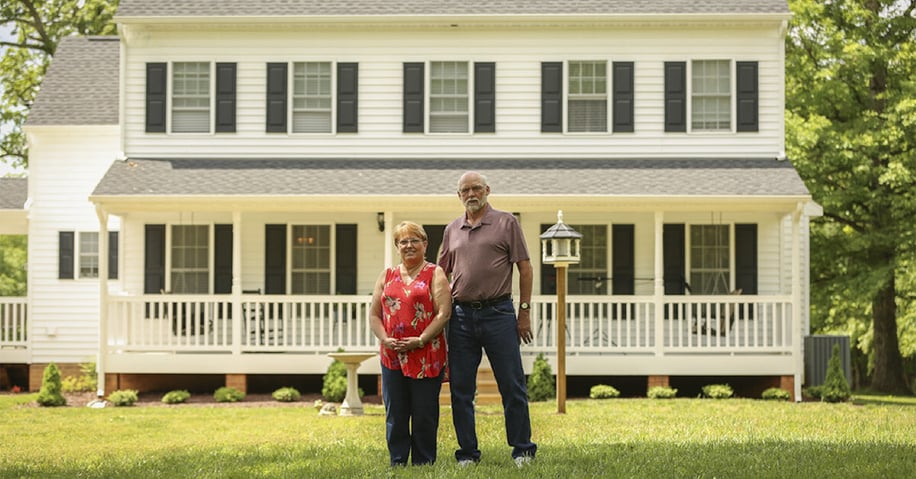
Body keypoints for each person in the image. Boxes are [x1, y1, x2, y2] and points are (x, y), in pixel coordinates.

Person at [438, 171, 537, 467]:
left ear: (487, 190)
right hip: (461, 318)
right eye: (465, 190)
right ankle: (467, 454)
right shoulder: (452, 229)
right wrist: (440, 315)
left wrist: (525, 312)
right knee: (461, 390)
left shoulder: (507, 222)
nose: (471, 194)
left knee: (512, 385)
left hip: (499, 314)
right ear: (459, 195)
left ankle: (522, 450)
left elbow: (526, 269)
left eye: (476, 188)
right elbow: (441, 275)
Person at [368, 221, 451, 466]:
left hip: (426, 354)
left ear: (425, 244)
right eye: (403, 241)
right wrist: (384, 338)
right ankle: (398, 461)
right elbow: (374, 314)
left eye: (415, 240)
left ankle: (423, 462)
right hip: (392, 356)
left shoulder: (434, 273)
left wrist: (421, 339)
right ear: (397, 246)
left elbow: (443, 313)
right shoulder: (387, 275)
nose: (409, 245)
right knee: (396, 413)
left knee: (424, 413)